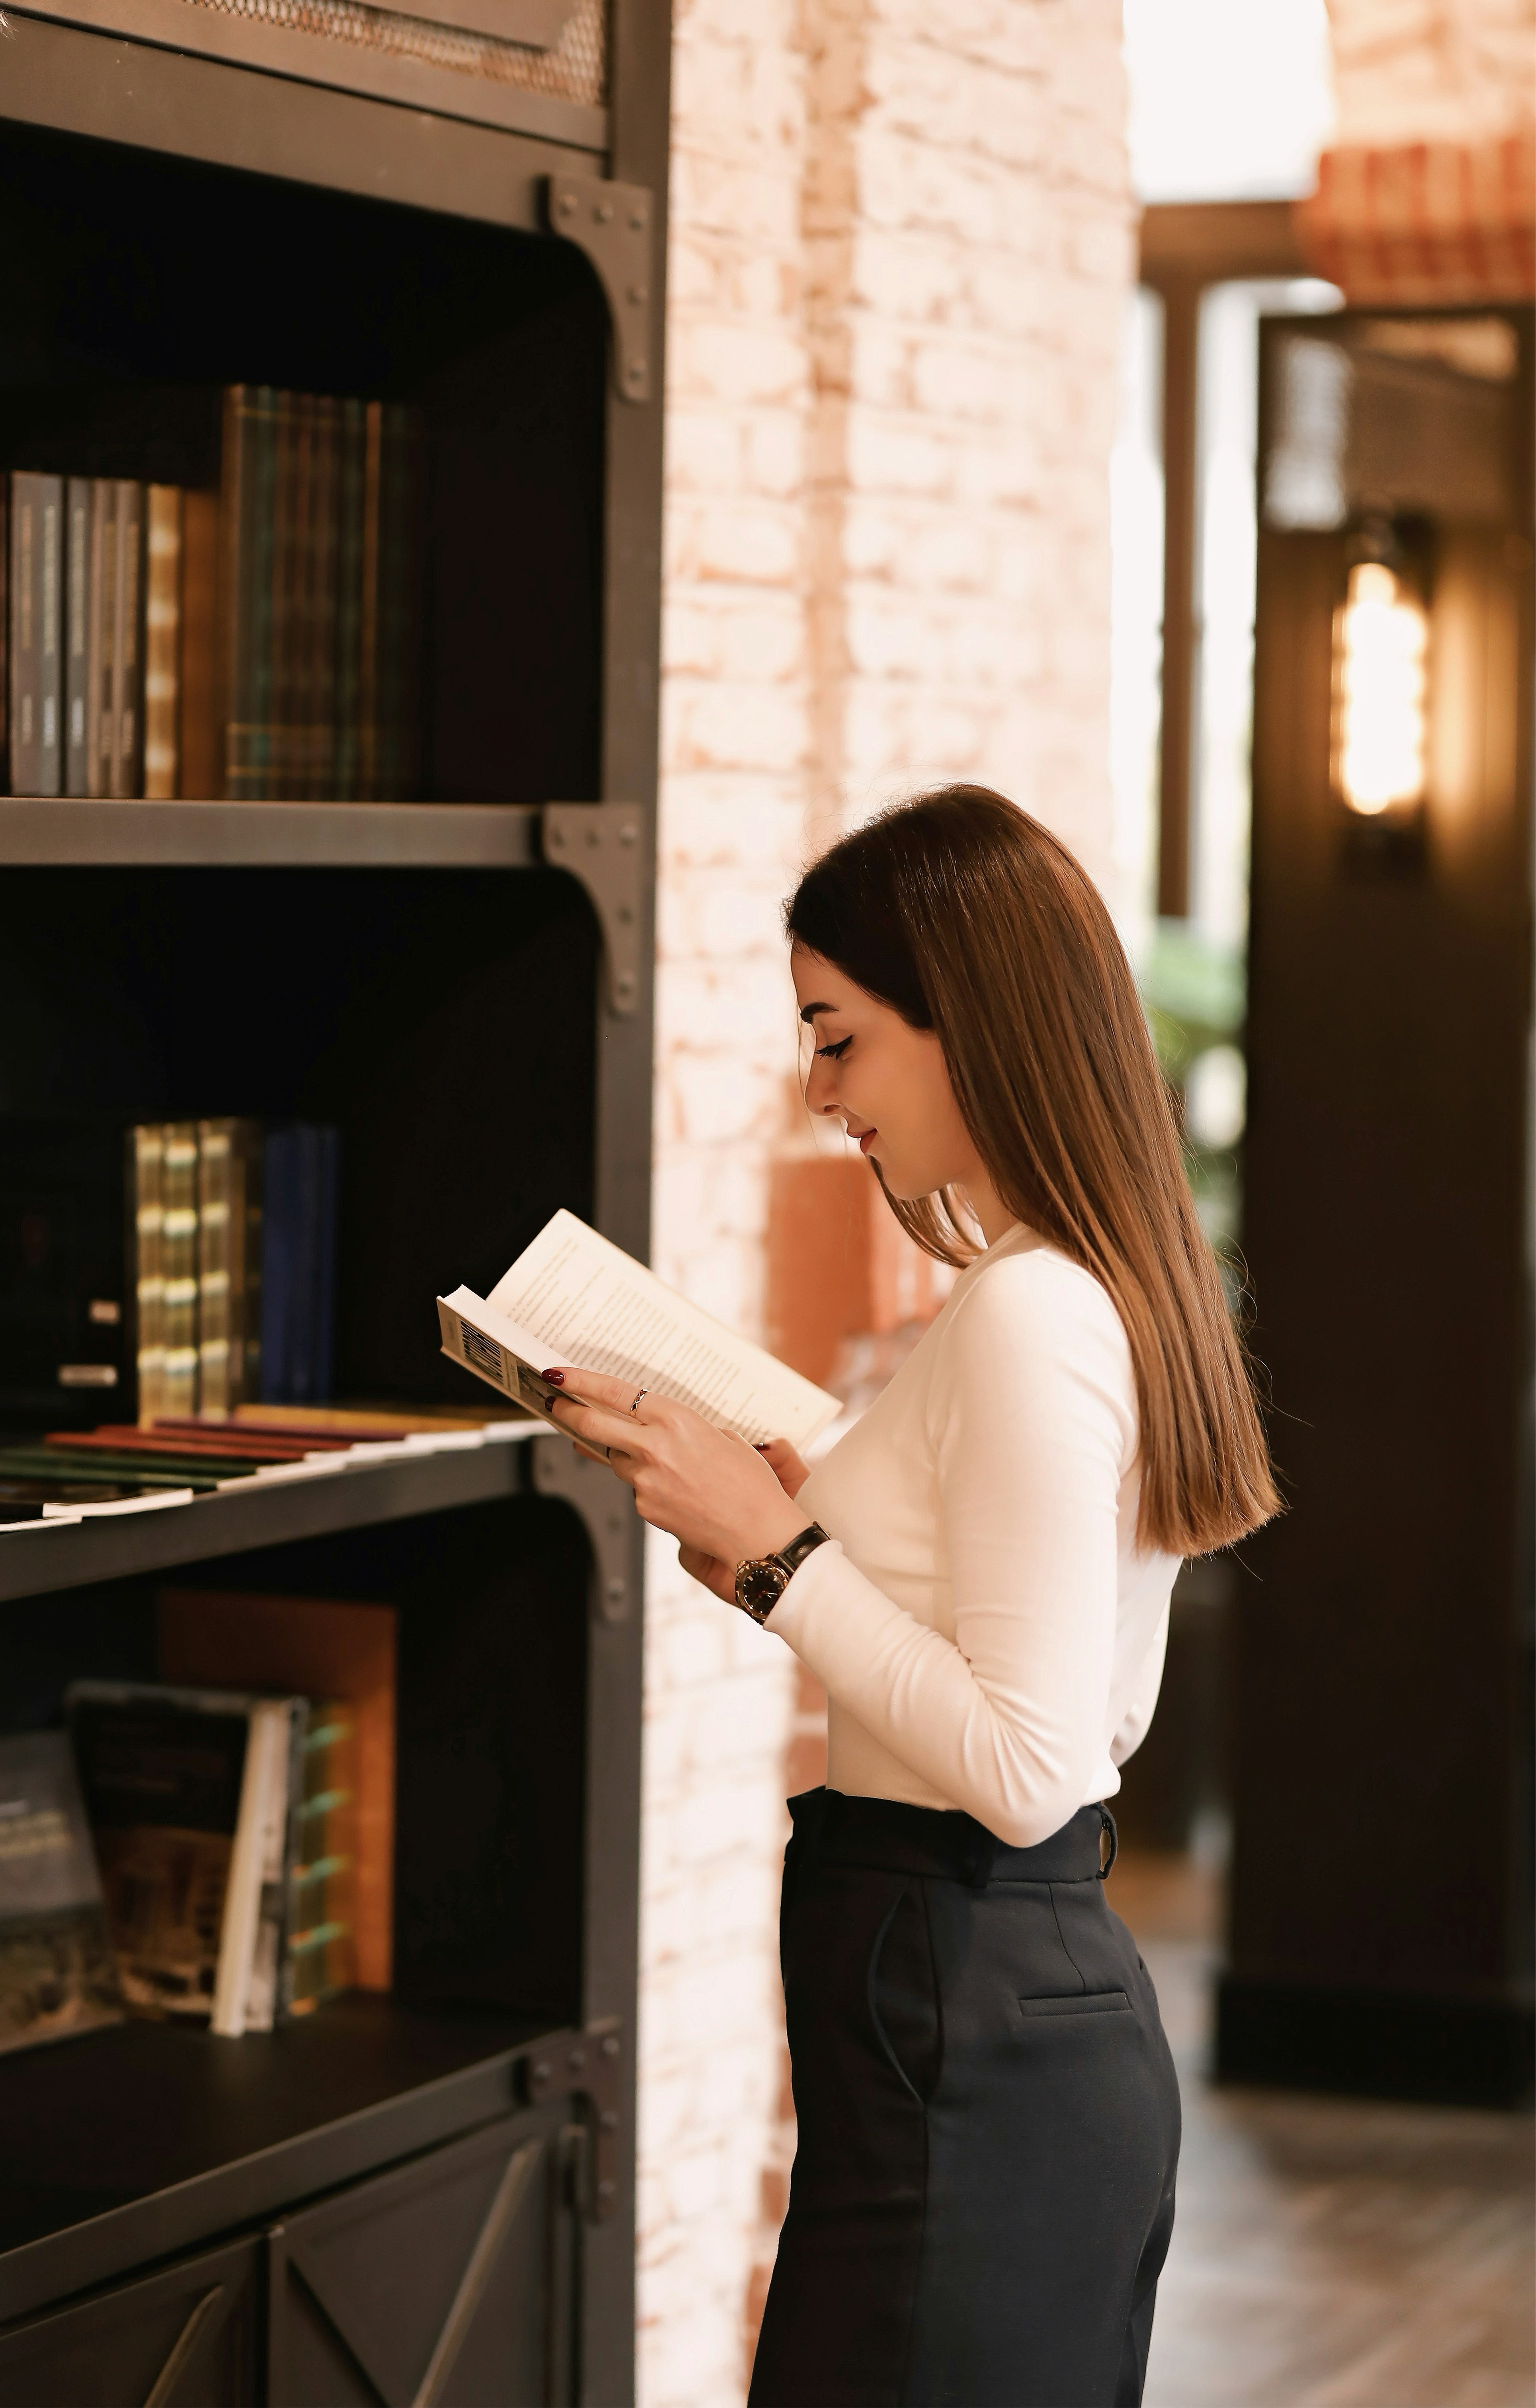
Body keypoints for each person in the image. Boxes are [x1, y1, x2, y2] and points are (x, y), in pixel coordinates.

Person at [541, 787, 1279, 2408]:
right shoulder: (1074, 1291)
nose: (819, 1095)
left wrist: (778, 1554)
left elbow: (1031, 1768)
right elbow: (1088, 1701)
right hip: (988, 2032)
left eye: (839, 1038)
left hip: (980, 2035)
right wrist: (785, 1508)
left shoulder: (1032, 1316)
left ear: (967, 1019)